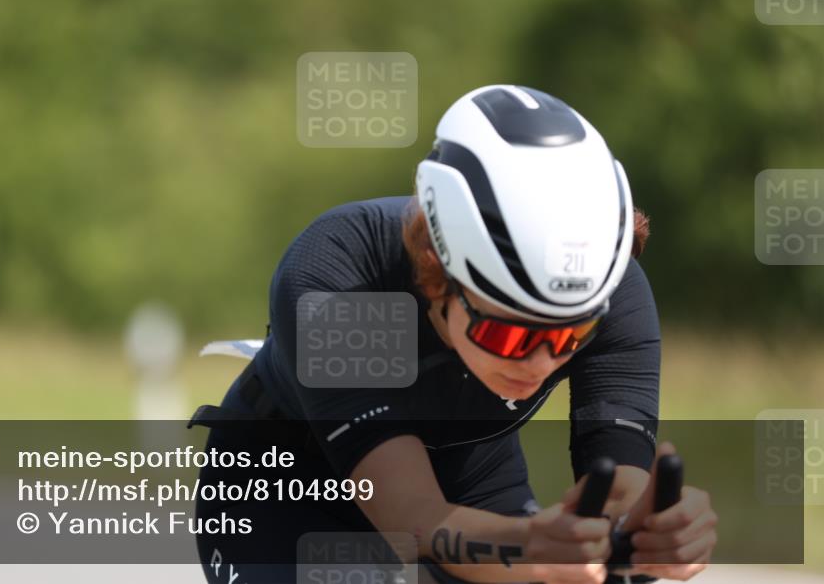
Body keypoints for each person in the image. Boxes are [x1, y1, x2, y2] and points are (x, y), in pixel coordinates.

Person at [191, 85, 717, 584]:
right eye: (508, 334)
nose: (537, 364)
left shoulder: (612, 288)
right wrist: (533, 548)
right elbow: (413, 519)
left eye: (568, 338)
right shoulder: (341, 273)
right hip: (289, 484)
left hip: (470, 469)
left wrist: (640, 537)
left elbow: (620, 491)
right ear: (435, 274)